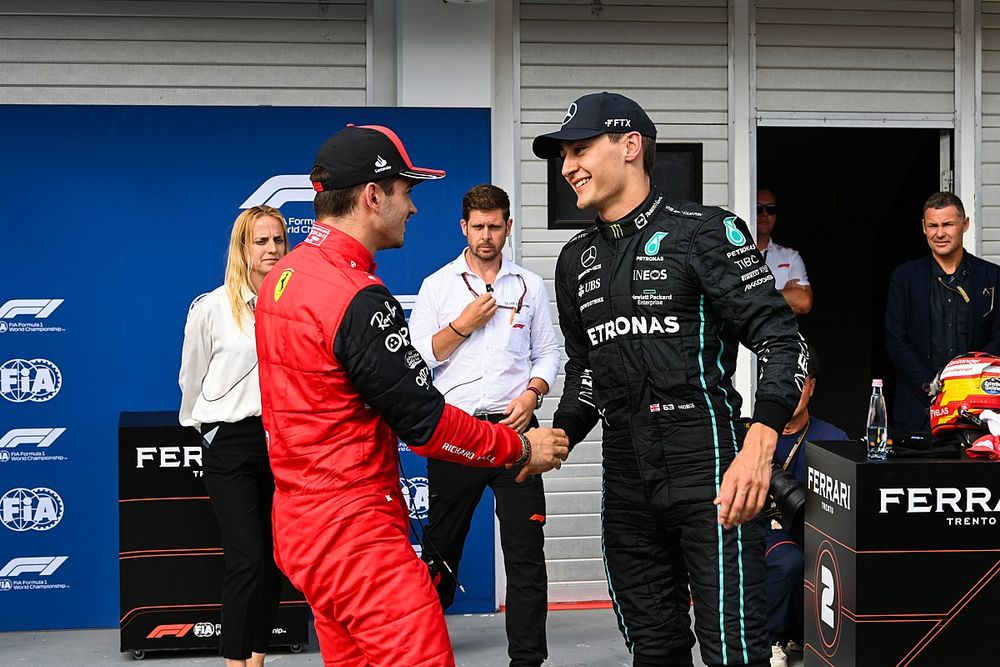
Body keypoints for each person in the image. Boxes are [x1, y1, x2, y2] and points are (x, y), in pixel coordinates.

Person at [253, 124, 569, 667]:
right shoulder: (357, 296)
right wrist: (521, 449)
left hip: (302, 527)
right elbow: (425, 422)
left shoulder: (285, 275)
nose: (414, 208)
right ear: (373, 196)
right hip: (357, 538)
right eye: (408, 191)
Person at [532, 91, 807, 667]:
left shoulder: (706, 232)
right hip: (626, 480)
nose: (568, 166)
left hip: (710, 472)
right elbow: (587, 371)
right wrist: (556, 436)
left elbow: (783, 342)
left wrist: (761, 444)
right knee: (654, 652)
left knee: (734, 654)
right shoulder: (573, 259)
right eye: (562, 155)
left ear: (630, 146)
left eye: (580, 149)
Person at [409, 184, 560, 667]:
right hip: (457, 433)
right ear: (463, 227)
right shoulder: (438, 286)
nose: (487, 236)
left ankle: (528, 660)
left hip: (518, 433)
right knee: (441, 548)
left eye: (496, 226)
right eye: (478, 227)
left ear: (509, 226)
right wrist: (463, 324)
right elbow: (419, 357)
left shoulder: (529, 286)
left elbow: (549, 352)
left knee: (525, 551)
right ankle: (424, 650)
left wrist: (533, 391)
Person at [178, 205, 289, 667]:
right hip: (232, 445)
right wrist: (209, 431)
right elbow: (191, 379)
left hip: (285, 444)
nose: (271, 249)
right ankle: (233, 662)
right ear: (242, 248)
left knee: (274, 560)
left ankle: (257, 658)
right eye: (260, 241)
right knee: (246, 559)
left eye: (278, 241)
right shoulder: (212, 308)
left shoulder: (295, 305)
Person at [885, 191, 1000, 432]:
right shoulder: (904, 277)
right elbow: (896, 340)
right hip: (919, 411)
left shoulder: (992, 276)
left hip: (980, 407)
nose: (939, 233)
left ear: (965, 224)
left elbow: (998, 336)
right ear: (924, 228)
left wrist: (969, 381)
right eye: (933, 225)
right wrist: (931, 386)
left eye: (947, 224)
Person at [763, 345, 847, 667]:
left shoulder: (833, 438)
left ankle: (802, 631)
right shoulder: (755, 437)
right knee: (790, 561)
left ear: (811, 385)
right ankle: (771, 642)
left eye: (798, 382)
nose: (790, 391)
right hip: (765, 533)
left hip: (817, 531)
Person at [755, 188, 812, 315]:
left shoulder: (790, 257)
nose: (764, 214)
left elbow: (804, 302)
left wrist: (752, 298)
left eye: (770, 209)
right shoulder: (736, 253)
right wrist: (783, 294)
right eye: (758, 209)